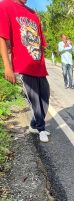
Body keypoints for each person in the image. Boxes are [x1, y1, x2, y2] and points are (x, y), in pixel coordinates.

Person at [0, 0, 50, 142]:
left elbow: (41, 43)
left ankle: (34, 125)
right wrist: (7, 66)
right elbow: (2, 37)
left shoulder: (33, 13)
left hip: (39, 67)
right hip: (23, 66)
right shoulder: (5, 5)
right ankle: (41, 129)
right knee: (34, 100)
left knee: (45, 97)